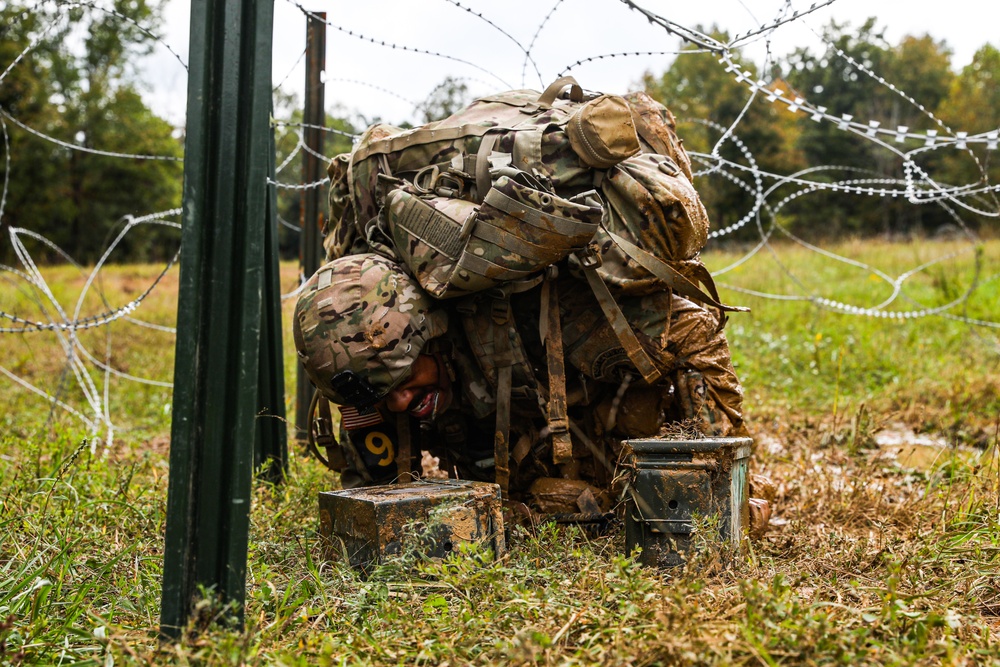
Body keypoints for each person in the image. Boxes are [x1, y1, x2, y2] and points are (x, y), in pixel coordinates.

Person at [294, 250, 746, 515]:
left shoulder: (534, 316)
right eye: (382, 394)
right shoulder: (368, 376)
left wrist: (722, 477)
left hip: (593, 433)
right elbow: (366, 495)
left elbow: (693, 330)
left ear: (432, 335)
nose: (400, 402)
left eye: (407, 380)